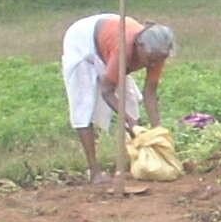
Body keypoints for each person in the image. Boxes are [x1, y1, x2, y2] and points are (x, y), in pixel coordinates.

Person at [60, 12, 175, 181]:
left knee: (130, 102)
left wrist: (157, 131)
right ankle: (95, 172)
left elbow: (150, 92)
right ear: (139, 46)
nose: (153, 65)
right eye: (150, 60)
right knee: (83, 105)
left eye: (158, 60)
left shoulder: (157, 52)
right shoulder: (123, 49)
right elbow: (107, 91)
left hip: (110, 35)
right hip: (83, 41)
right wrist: (130, 121)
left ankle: (135, 161)